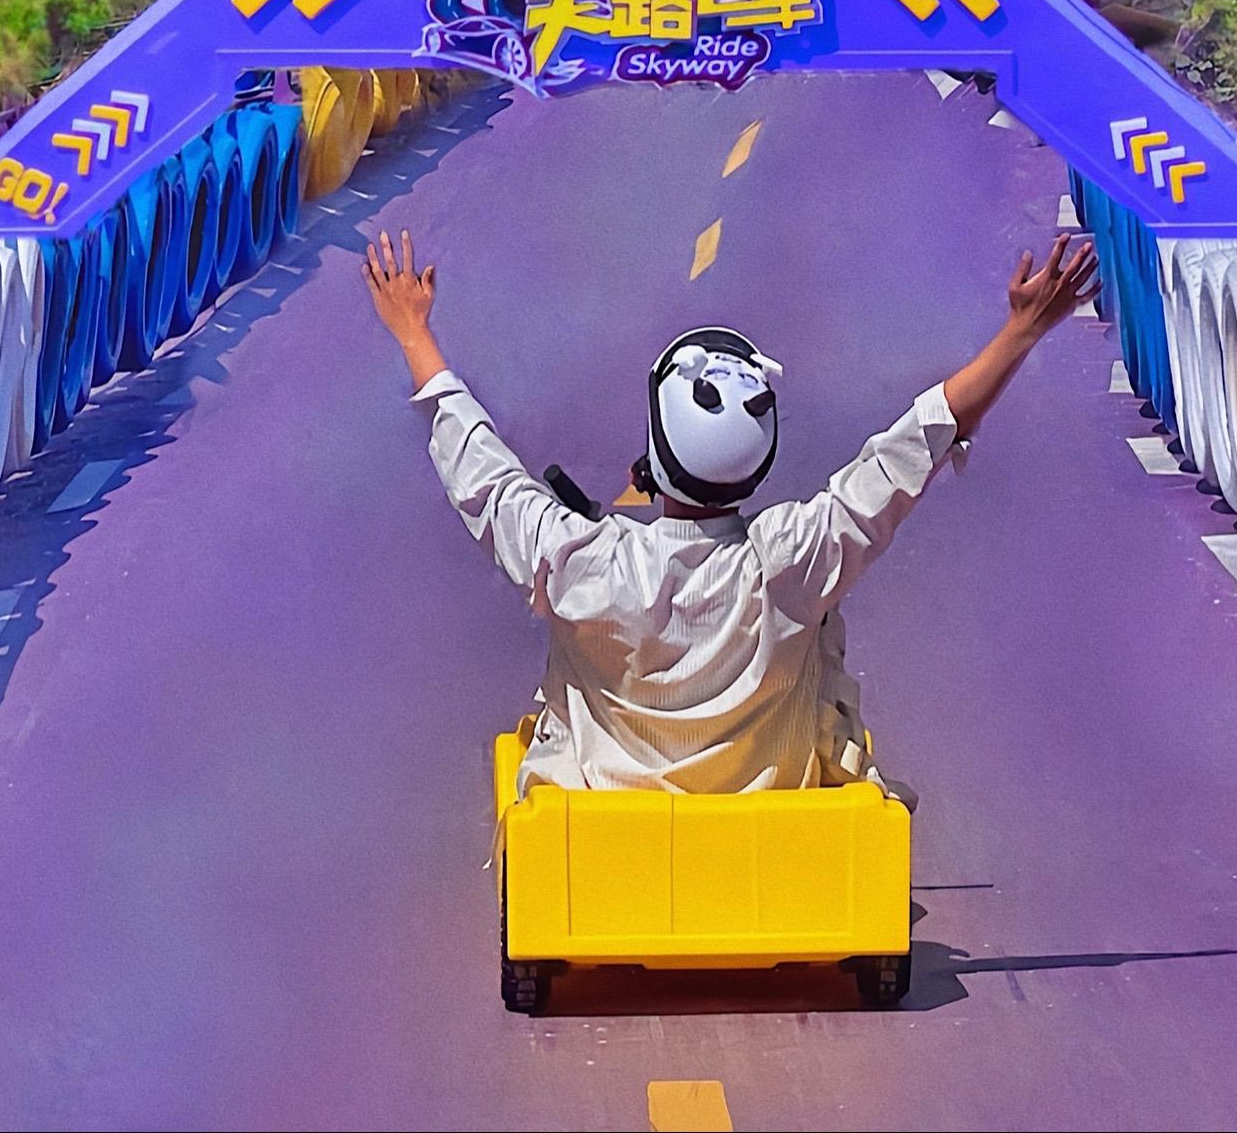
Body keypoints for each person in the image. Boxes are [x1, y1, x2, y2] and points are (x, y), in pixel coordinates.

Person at [362, 223, 1099, 793]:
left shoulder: (583, 562)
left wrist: (414, 333)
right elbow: (913, 447)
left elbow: (484, 474)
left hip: (604, 819)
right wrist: (1021, 331)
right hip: (773, 816)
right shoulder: (793, 558)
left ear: (654, 459)